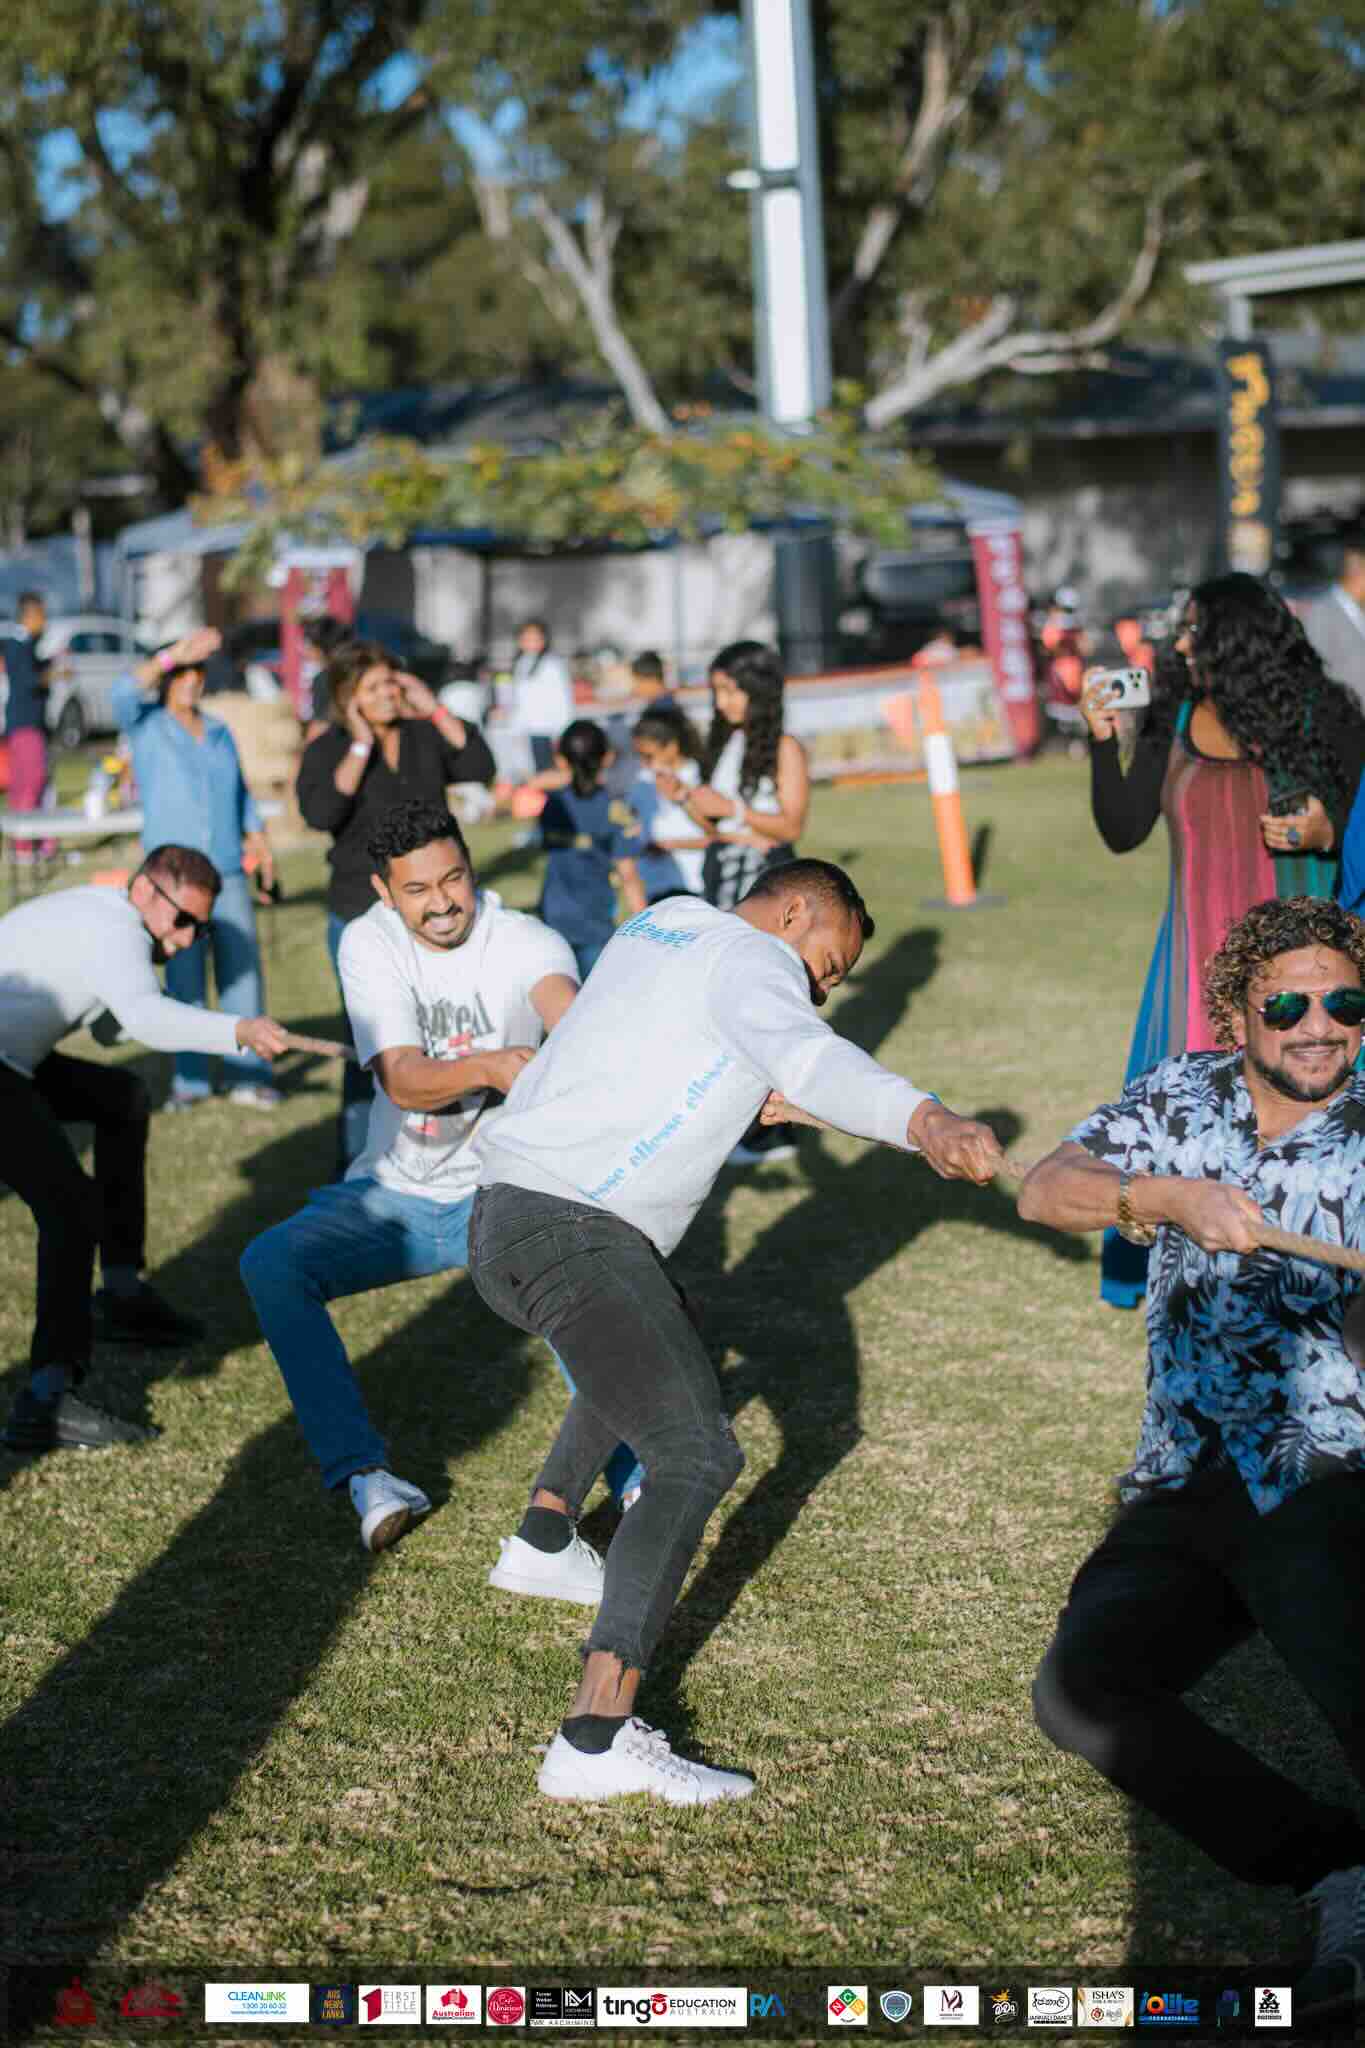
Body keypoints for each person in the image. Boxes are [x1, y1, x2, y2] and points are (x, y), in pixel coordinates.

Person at [468, 859, 1003, 1805]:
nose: (819, 989)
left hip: (508, 1216)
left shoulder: (664, 922)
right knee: (695, 1455)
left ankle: (544, 1537)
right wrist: (926, 1119)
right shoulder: (758, 961)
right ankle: (595, 1735)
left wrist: (751, 1093)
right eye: (826, 966)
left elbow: (653, 1040)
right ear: (793, 911)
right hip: (571, 1231)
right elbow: (808, 1052)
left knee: (661, 1331)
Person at [1020, 896, 1365, 2025]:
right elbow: (1046, 1184)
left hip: (1325, 1473)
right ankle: (1332, 1865)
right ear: (1237, 1011)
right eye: (1290, 1002)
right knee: (1083, 1688)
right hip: (1182, 1474)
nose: (1322, 1025)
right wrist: (1157, 1195)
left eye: (1346, 1000)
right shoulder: (1181, 1093)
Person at [240, 800, 645, 1551]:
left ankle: (635, 1474)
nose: (442, 902)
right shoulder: (368, 944)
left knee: (570, 1292)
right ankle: (367, 1476)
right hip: (392, 1192)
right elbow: (402, 1079)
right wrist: (492, 1065)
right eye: (418, 890)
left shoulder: (525, 939)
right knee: (272, 1264)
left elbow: (569, 1012)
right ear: (385, 893)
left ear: (471, 869)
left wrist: (580, 1040)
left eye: (453, 879)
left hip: (502, 1193)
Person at [1081, 570, 1365, 1308]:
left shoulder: (1320, 714)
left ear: (1233, 639)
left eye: (1192, 629)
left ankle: (1315, 1252)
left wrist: (1321, 826)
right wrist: (1100, 743)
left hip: (1299, 962)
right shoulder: (1172, 709)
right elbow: (1122, 830)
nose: (1177, 643)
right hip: (1194, 960)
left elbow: (1355, 822)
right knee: (1190, 1114)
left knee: (1310, 1103)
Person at [0, 846, 290, 1452]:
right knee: (69, 1208)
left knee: (123, 1096)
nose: (187, 940)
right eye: (183, 922)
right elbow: (145, 1018)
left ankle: (124, 1293)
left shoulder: (108, 920)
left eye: (200, 929)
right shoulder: (114, 925)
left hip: (14, 1062)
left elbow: (115, 1023)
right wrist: (238, 1030)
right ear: (145, 892)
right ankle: (46, 1399)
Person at [296, 641, 495, 1172]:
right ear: (347, 698)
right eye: (374, 687)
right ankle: (362, 1156)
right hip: (360, 909)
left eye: (391, 682)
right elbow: (322, 811)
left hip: (432, 909)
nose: (387, 694)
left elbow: (479, 762)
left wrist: (431, 706)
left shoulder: (422, 735)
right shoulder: (329, 746)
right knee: (371, 1034)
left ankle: (444, 1149)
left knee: (443, 1024)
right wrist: (360, 745)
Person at [114, 627, 280, 1110]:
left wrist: (261, 844)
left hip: (227, 869)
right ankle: (190, 1081)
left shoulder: (221, 731)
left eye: (196, 671)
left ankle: (248, 1074)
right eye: (181, 672)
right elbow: (121, 691)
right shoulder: (145, 725)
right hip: (174, 882)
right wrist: (173, 654)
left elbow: (242, 795)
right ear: (167, 676)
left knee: (242, 973)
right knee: (184, 977)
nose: (190, 680)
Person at [537, 720, 647, 980]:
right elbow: (629, 876)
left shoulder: (553, 806)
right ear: (607, 757)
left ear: (561, 760)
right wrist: (647, 931)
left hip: (551, 919)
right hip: (594, 922)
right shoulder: (617, 811)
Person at [629, 705, 709, 901]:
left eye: (649, 756)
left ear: (672, 747)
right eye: (639, 756)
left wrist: (669, 845)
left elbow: (716, 835)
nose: (644, 764)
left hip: (695, 883)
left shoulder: (698, 779)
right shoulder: (642, 782)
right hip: (656, 887)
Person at [3, 590, 56, 861]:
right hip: (24, 724)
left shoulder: (26, 644)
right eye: (42, 616)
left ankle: (31, 842)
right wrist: (52, 674)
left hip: (29, 724)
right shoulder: (16, 643)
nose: (45, 622)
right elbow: (28, 681)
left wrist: (49, 663)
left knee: (29, 782)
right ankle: (23, 845)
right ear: (30, 615)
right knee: (30, 780)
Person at [1298, 518, 1365, 714]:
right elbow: (1315, 672)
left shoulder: (1358, 612)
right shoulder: (1322, 611)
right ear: (1356, 570)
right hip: (1341, 722)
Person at [508, 619, 575, 773]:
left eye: (535, 639)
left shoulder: (552, 665)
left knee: (549, 772)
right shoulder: (521, 664)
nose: (530, 643)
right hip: (527, 729)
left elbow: (562, 699)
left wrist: (562, 730)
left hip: (547, 730)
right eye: (526, 639)